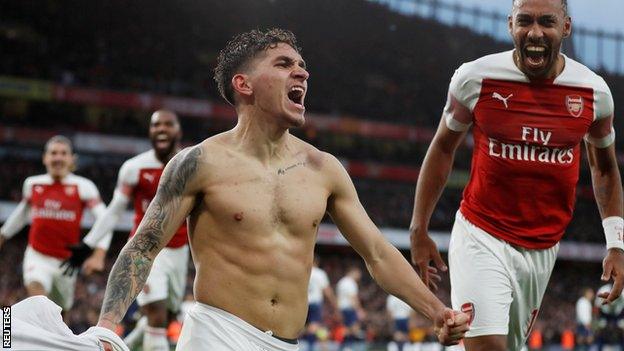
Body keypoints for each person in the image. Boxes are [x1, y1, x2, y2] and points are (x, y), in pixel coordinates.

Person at [94, 28, 469, 351]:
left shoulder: (325, 169)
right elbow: (143, 248)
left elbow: (377, 253)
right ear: (244, 84)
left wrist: (437, 310)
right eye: (284, 64)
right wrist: (108, 325)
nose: (302, 72)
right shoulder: (199, 162)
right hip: (216, 334)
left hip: (286, 342)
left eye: (302, 65)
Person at [409, 0, 624, 350]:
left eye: (547, 22)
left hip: (542, 248)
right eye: (524, 21)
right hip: (481, 233)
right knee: (486, 345)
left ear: (566, 27)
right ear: (510, 24)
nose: (535, 32)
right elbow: (442, 148)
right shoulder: (475, 78)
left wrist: (616, 243)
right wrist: (419, 228)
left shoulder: (594, 93)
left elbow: (605, 168)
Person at [64, 110, 189, 351]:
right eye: (155, 125)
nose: (161, 129)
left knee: (166, 317)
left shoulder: (189, 164)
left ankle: (130, 344)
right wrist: (89, 244)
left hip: (180, 251)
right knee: (156, 312)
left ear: (178, 131)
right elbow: (114, 210)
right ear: (150, 132)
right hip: (146, 248)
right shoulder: (135, 168)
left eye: (167, 124)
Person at [0, 135, 112, 311]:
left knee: (62, 312)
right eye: (53, 153)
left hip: (67, 262)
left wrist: (99, 254)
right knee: (38, 299)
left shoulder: (83, 187)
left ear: (72, 159)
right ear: (45, 158)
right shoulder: (33, 184)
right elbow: (22, 213)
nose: (58, 157)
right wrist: (3, 234)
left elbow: (105, 219)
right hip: (38, 254)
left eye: (63, 153)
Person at [303, 255, 337, 350]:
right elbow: (327, 290)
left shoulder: (303, 271)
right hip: (315, 303)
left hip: (303, 303)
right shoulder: (320, 273)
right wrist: (333, 303)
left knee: (302, 326)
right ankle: (311, 347)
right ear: (317, 262)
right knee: (314, 326)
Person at [336, 266, 366, 349]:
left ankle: (344, 348)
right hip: (349, 308)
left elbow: (338, 297)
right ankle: (351, 348)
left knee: (347, 329)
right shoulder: (351, 282)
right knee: (355, 329)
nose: (359, 276)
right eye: (359, 273)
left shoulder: (341, 282)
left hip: (342, 308)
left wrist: (338, 310)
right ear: (354, 272)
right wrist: (359, 310)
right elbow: (353, 298)